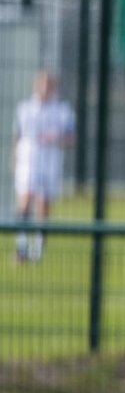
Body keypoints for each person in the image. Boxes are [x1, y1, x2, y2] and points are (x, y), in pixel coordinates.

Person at [12, 70, 74, 263]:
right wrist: (13, 159)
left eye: (49, 85)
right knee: (24, 201)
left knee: (43, 203)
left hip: (49, 164)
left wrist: (55, 138)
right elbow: (17, 135)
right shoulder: (25, 108)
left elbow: (71, 138)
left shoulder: (63, 110)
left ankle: (38, 249)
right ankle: (21, 247)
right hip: (28, 161)